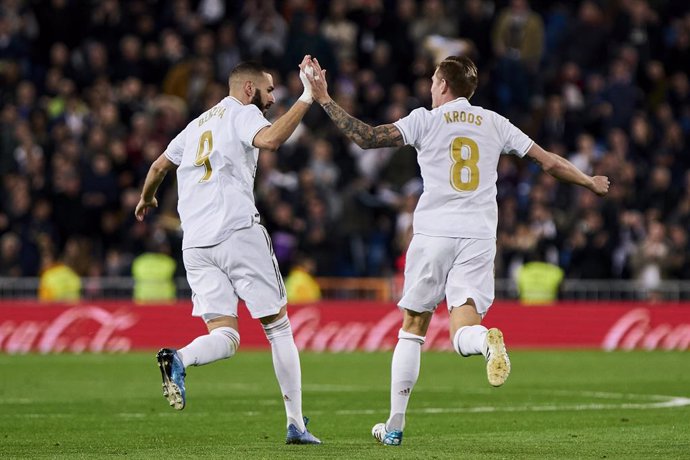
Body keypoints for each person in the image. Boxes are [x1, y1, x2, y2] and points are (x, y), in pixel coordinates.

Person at [305, 55, 610, 446]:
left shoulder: (424, 120)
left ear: (444, 86)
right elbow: (548, 162)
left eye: (433, 81)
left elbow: (366, 137)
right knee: (463, 327)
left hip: (434, 233)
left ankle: (394, 427)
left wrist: (325, 98)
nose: (431, 88)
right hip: (479, 236)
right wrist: (589, 182)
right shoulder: (494, 122)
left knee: (413, 330)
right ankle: (486, 342)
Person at [135, 57, 321, 444]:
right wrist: (306, 97)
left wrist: (147, 200)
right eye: (269, 91)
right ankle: (296, 425)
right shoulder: (241, 112)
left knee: (226, 336)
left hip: (196, 243)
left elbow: (157, 167)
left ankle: (180, 358)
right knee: (278, 326)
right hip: (236, 231)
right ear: (249, 88)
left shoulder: (195, 124)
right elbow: (270, 140)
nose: (272, 99)